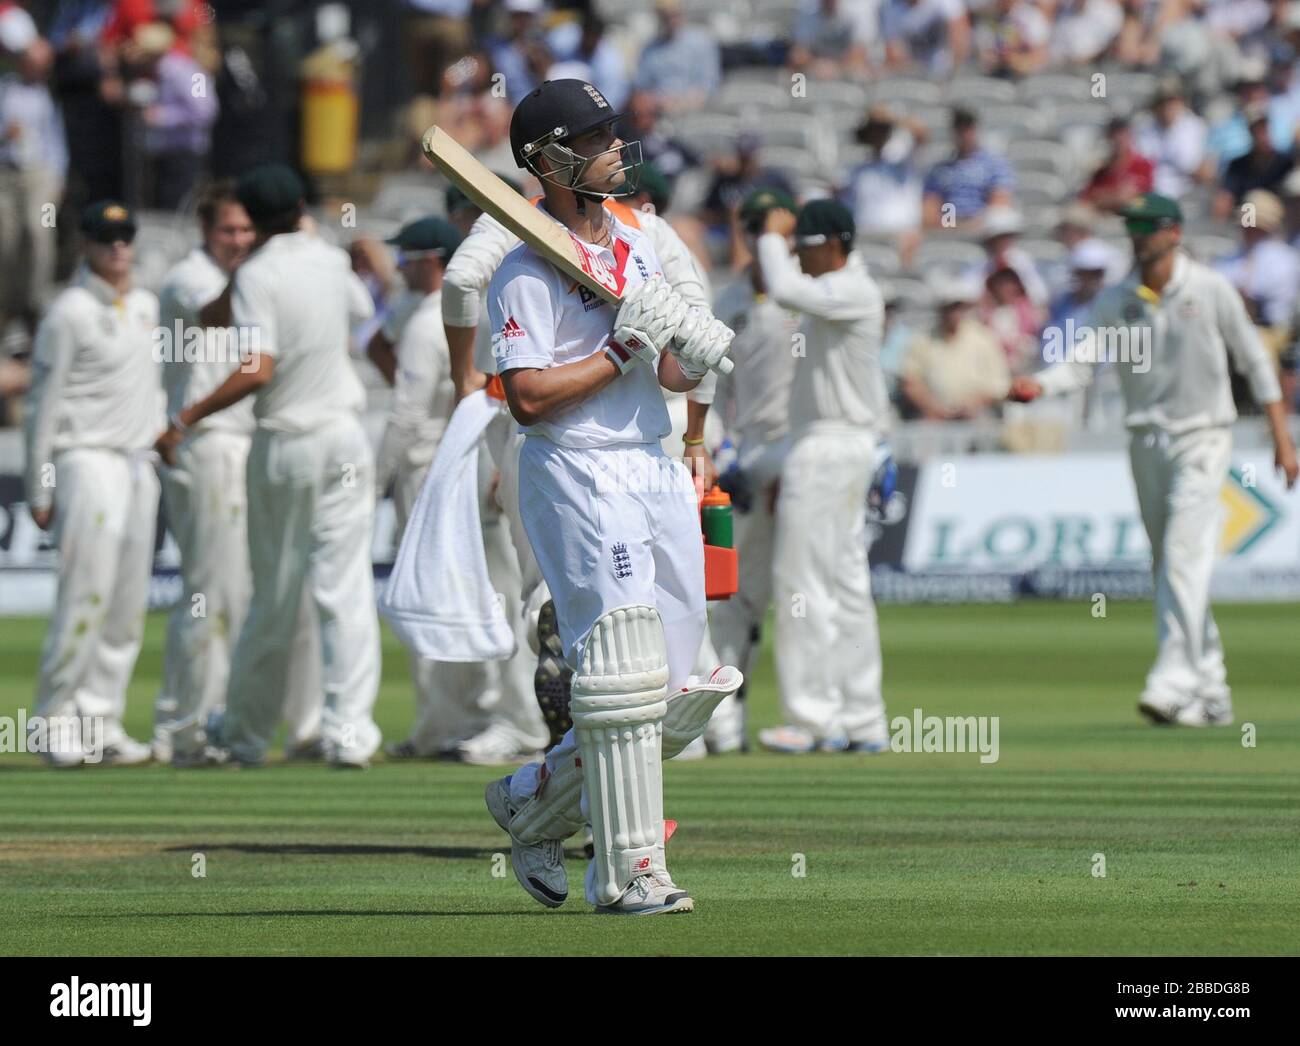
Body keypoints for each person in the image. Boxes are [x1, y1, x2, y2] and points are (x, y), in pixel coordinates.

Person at [480, 79, 742, 915]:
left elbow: (664, 368)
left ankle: (531, 801)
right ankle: (628, 872)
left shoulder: (631, 243)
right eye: (592, 138)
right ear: (550, 160)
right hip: (577, 467)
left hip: (652, 460)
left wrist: (690, 358)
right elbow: (525, 397)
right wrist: (617, 349)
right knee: (624, 670)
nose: (612, 148)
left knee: (681, 685)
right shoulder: (523, 268)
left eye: (609, 132)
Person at [1010, 193, 1299, 727]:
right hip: (1145, 442)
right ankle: (1212, 691)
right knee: (1170, 563)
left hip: (1203, 437)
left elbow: (1256, 362)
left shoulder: (1210, 289)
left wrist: (1283, 439)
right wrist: (1039, 384)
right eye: (1132, 225)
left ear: (1173, 233)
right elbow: (1079, 366)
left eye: (1146, 226)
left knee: (1183, 559)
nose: (1137, 235)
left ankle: (1170, 682)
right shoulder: (1118, 299)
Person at [154, 164, 383, 767]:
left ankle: (249, 736)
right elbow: (361, 311)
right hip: (345, 439)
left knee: (275, 596)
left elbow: (257, 366)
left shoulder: (259, 270)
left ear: (252, 222)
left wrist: (187, 417)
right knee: (344, 590)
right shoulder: (329, 261)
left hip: (286, 443)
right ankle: (348, 733)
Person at [371, 215, 550, 764]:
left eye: (408, 258)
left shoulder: (465, 311)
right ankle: (466, 721)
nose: (399, 268)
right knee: (491, 596)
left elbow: (416, 409)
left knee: (512, 596)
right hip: (481, 455)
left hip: (478, 459)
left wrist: (373, 482)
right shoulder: (432, 314)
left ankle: (522, 723)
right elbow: (376, 343)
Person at [24, 200, 163, 766]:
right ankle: (52, 721)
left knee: (128, 604)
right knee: (86, 595)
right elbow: (42, 405)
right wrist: (40, 487)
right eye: (107, 239)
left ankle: (100, 719)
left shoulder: (147, 306)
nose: (119, 248)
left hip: (137, 463)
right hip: (85, 461)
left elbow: (152, 384)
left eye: (126, 238)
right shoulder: (69, 313)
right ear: (86, 245)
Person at [752, 199, 891, 754]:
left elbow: (784, 289)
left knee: (802, 582)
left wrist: (768, 235)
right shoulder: (843, 291)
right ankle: (862, 718)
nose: (797, 259)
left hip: (830, 448)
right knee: (845, 587)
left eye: (803, 249)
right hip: (841, 446)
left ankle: (813, 719)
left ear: (832, 244)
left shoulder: (851, 290)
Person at [707, 190, 801, 733]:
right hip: (748, 455)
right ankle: (726, 719)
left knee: (800, 591)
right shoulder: (731, 302)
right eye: (752, 226)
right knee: (738, 593)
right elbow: (713, 394)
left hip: (801, 452)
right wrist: (725, 458)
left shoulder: (802, 293)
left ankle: (810, 715)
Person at [900, 274, 1009, 421]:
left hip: (977, 413)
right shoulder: (923, 339)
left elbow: (999, 386)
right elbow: (910, 381)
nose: (954, 313)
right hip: (933, 414)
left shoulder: (983, 338)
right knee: (922, 433)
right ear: (940, 309)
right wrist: (932, 407)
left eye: (958, 307)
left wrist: (974, 403)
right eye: (949, 307)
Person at [922, 107, 1015, 229]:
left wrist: (975, 224)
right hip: (949, 228)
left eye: (967, 127)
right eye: (959, 128)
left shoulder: (994, 165)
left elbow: (999, 203)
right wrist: (951, 226)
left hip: (983, 229)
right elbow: (930, 208)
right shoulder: (940, 170)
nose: (963, 133)